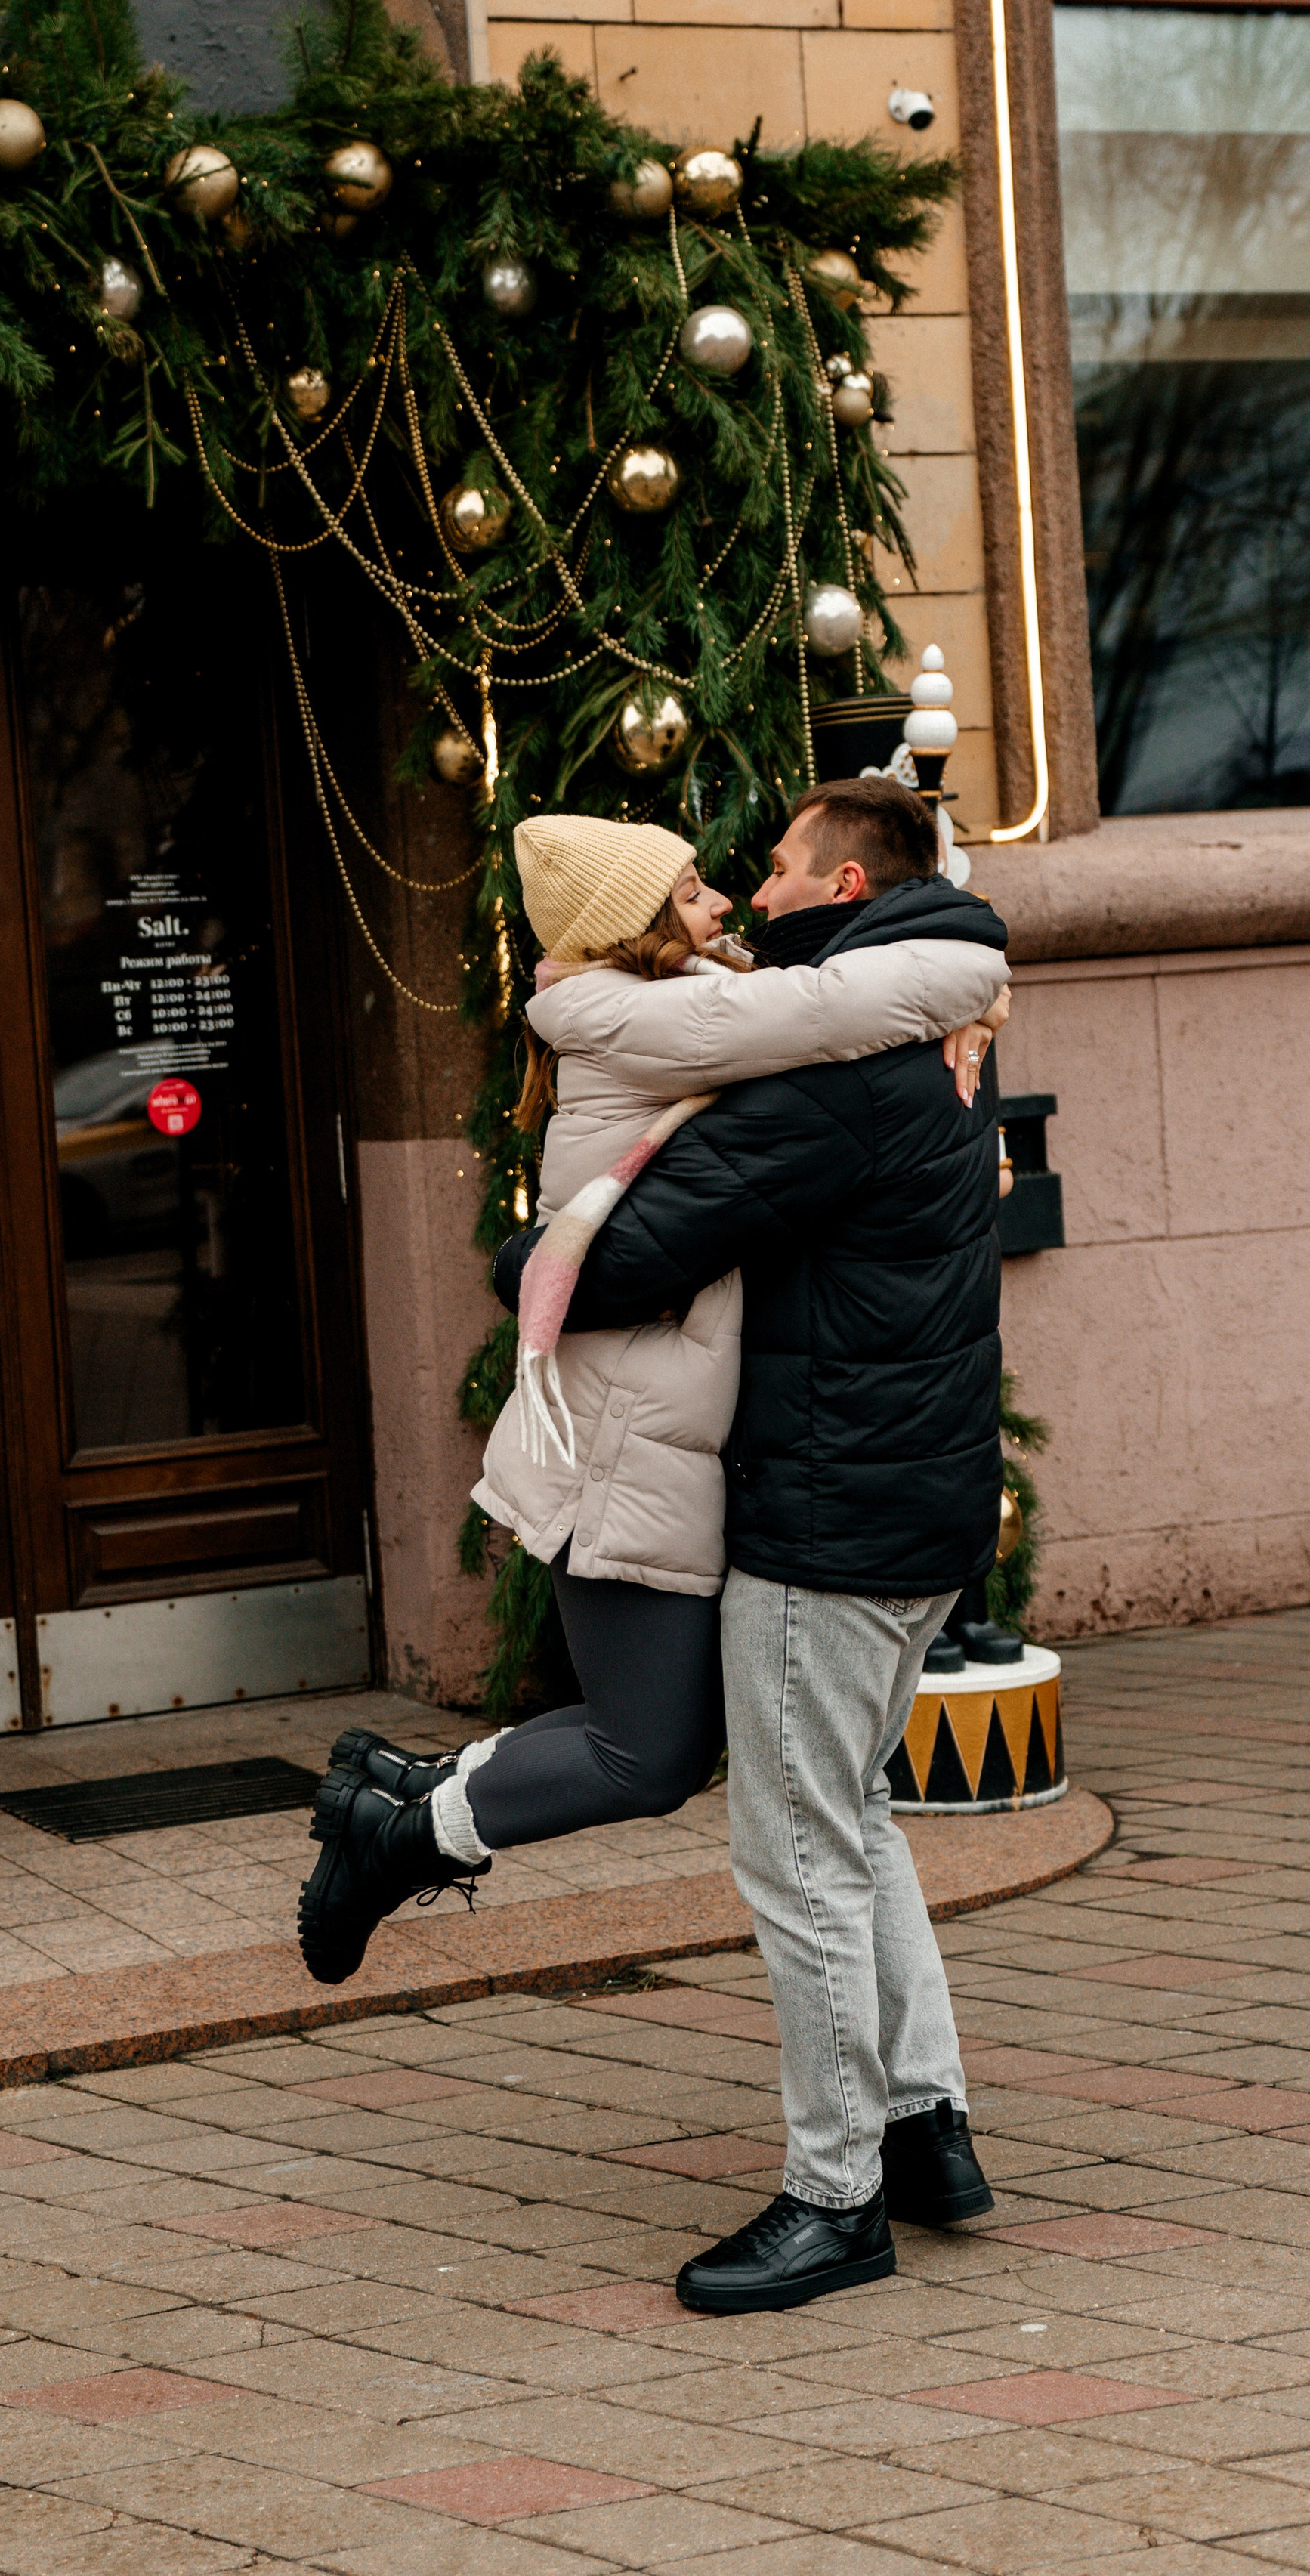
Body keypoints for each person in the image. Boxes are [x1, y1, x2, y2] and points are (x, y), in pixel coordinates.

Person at [298, 798, 1006, 1996]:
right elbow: (823, 1006)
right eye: (690, 892)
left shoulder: (678, 999)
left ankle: (413, 1799)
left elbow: (806, 994)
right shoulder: (644, 1016)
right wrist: (979, 974)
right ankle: (401, 1830)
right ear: (634, 928)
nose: (726, 900)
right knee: (647, 1752)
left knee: (664, 1747)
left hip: (671, 1428)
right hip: (630, 1438)